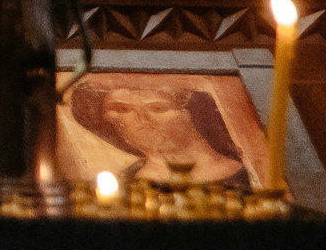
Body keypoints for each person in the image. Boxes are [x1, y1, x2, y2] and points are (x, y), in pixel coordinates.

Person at [67, 78, 250, 185]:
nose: (142, 119)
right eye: (122, 109)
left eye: (158, 108)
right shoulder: (126, 184)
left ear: (193, 114)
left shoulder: (246, 176)